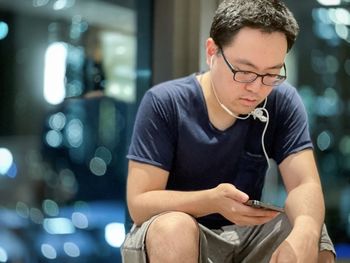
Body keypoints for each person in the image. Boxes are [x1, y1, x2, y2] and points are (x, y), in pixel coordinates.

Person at [121, 0, 336, 262]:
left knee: (311, 228)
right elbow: (139, 203)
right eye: (245, 72)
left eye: (271, 74)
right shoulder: (165, 102)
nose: (256, 88)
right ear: (212, 51)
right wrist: (211, 200)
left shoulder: (281, 100)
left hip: (246, 233)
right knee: (174, 227)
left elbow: (305, 184)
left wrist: (305, 232)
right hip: (177, 230)